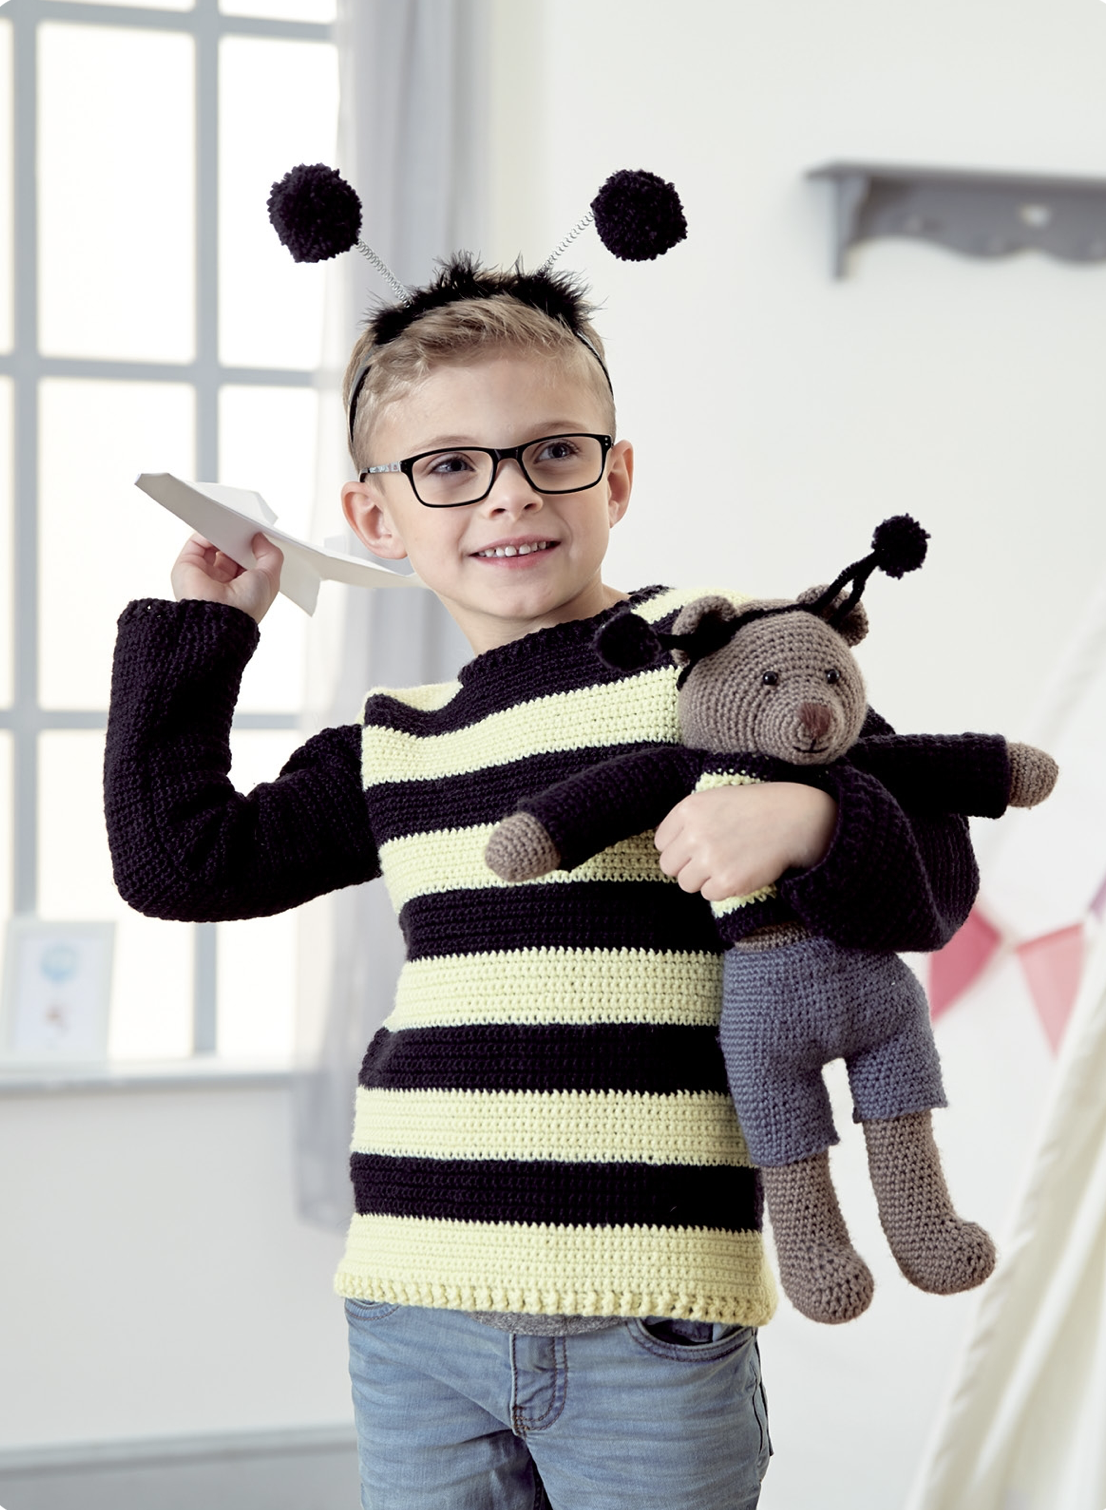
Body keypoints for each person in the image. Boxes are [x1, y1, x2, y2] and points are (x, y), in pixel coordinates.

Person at [104, 263, 984, 1510]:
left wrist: (814, 813)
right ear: (373, 515)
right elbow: (179, 864)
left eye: (551, 452)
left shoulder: (718, 660)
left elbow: (934, 884)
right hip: (413, 1312)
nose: (507, 492)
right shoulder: (397, 740)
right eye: (448, 467)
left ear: (614, 478)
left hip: (649, 1316)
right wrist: (206, 625)